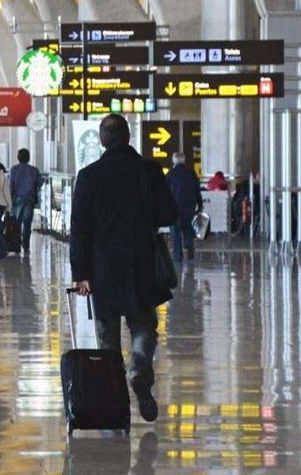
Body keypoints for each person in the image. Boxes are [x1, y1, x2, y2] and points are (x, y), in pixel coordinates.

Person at [70, 114, 176, 423]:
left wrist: (81, 275)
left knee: (107, 338)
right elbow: (169, 212)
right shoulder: (148, 171)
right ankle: (139, 368)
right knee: (144, 326)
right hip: (141, 265)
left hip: (102, 270)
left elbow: (80, 230)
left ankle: (115, 402)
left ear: (102, 141)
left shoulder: (88, 176)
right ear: (129, 138)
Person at [165, 153, 203, 263]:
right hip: (189, 206)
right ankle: (189, 246)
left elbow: (166, 191)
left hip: (174, 207)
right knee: (188, 228)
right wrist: (200, 205)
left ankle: (178, 257)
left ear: (174, 161)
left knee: (175, 232)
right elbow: (197, 190)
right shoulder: (191, 173)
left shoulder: (170, 174)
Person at [8, 148, 42, 255]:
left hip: (17, 199)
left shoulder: (14, 169)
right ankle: (26, 245)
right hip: (29, 199)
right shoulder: (34, 170)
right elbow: (40, 183)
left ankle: (17, 245)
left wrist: (10, 199)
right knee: (27, 223)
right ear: (28, 158)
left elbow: (11, 185)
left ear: (18, 158)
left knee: (16, 223)